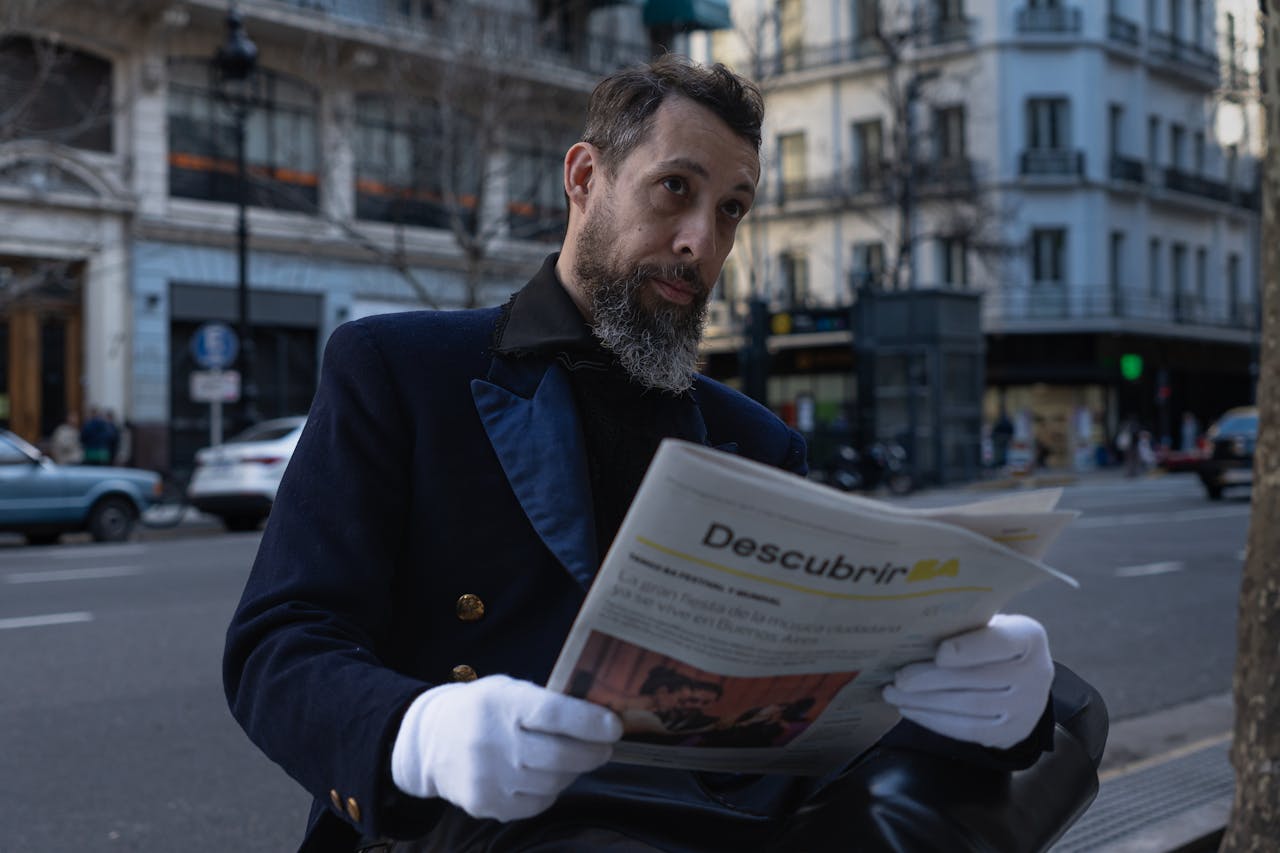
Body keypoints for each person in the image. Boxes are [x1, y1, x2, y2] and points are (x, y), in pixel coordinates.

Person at [224, 57, 1062, 852]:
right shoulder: (400, 369)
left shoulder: (757, 439)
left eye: (731, 208)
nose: (702, 240)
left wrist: (974, 699)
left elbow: (801, 709)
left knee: (1059, 717)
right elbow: (279, 642)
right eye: (676, 189)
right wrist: (417, 730)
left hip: (714, 816)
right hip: (474, 822)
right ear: (585, 179)